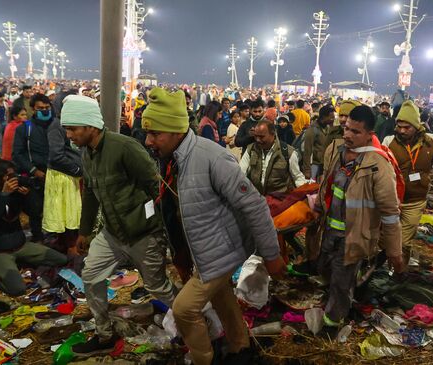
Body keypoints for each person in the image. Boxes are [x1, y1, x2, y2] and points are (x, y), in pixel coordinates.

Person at [141, 88, 285, 365]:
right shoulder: (172, 160)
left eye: (155, 133)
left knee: (183, 309)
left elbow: (254, 205)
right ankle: (239, 348)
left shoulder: (212, 158)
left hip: (223, 250)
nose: (148, 141)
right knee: (222, 299)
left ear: (174, 131)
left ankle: (202, 358)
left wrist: (272, 254)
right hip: (206, 250)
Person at [63, 95, 178, 356]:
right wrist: (84, 232)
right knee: (91, 276)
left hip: (142, 233)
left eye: (73, 128)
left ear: (90, 126)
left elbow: (156, 187)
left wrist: (161, 228)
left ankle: (200, 321)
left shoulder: (124, 147)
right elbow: (91, 194)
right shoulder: (88, 155)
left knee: (158, 287)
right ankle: (104, 335)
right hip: (112, 232)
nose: (69, 135)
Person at [314, 104, 402, 327]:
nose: (348, 135)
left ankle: (332, 325)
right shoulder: (335, 151)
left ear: (369, 134)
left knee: (340, 283)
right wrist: (317, 211)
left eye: (355, 131)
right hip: (329, 231)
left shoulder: (378, 166)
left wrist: (394, 251)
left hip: (354, 235)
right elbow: (326, 184)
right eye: (346, 128)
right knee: (324, 270)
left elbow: (390, 213)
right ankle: (344, 299)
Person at [0, 159, 68, 296]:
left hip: (20, 246)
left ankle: (20, 262)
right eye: (6, 176)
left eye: (12, 175)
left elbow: (35, 211)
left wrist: (28, 196)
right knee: (18, 289)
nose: (10, 180)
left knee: (62, 260)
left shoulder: (15, 190)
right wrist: (3, 195)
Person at [383, 100, 433, 268]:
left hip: (415, 201)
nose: (402, 131)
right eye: (399, 126)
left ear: (416, 125)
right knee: (384, 239)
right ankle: (385, 266)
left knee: (404, 243)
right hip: (391, 201)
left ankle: (399, 272)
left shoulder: (431, 141)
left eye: (407, 127)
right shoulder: (388, 142)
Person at [11, 93, 55, 242]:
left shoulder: (57, 126)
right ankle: (38, 238)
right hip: (34, 177)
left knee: (55, 208)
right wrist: (34, 171)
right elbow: (17, 154)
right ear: (33, 109)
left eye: (47, 107)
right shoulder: (25, 129)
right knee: (35, 210)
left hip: (56, 176)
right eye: (40, 108)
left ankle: (56, 237)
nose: (44, 111)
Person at [42, 97, 83, 255]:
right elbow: (56, 156)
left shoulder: (70, 124)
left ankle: (65, 245)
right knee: (66, 214)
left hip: (70, 175)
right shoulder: (57, 125)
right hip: (62, 176)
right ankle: (71, 249)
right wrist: (76, 170)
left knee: (69, 213)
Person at [240, 120, 306, 195]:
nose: (258, 140)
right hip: (257, 199)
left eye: (261, 137)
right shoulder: (250, 150)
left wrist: (304, 194)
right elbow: (241, 173)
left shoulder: (288, 152)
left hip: (279, 201)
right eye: (256, 136)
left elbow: (297, 177)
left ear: (273, 134)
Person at [302, 104, 334, 181]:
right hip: (314, 165)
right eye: (331, 117)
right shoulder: (312, 130)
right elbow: (307, 151)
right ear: (324, 117)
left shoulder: (328, 128)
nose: (333, 119)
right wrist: (307, 170)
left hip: (324, 164)